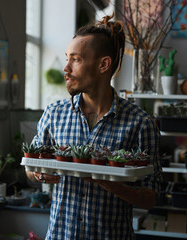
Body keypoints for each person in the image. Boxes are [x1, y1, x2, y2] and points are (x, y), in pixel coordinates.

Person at [26, 13, 162, 240]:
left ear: (103, 64)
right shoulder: (54, 114)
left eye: (76, 59)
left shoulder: (140, 123)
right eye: (67, 58)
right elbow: (30, 167)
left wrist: (108, 181)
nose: (66, 68)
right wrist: (38, 174)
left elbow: (151, 196)